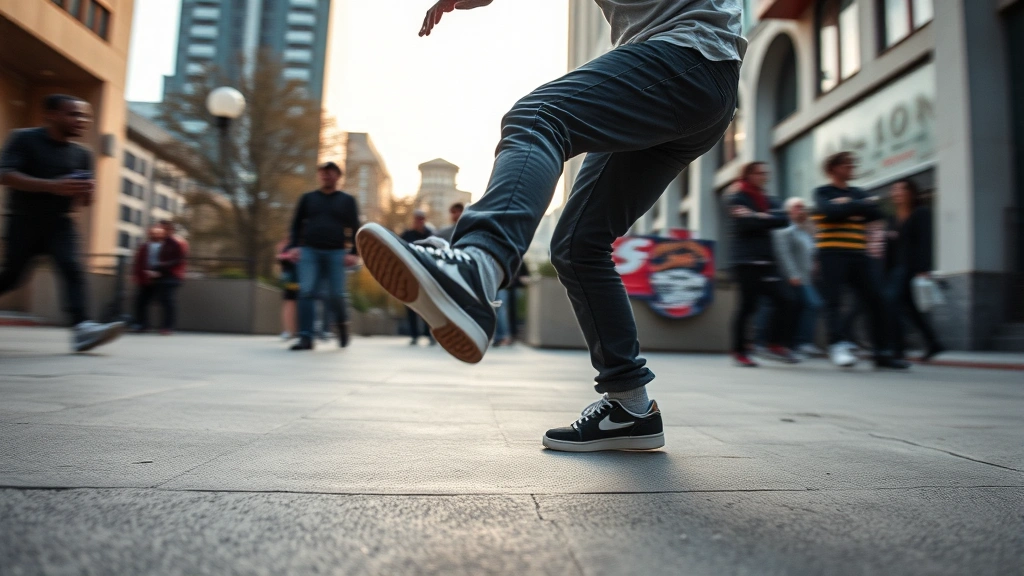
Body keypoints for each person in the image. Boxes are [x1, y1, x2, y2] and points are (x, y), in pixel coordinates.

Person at [356, 0, 744, 452]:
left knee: (539, 117)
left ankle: (478, 266)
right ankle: (631, 407)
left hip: (686, 57)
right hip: (698, 83)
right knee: (579, 244)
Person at [0, 94, 125, 352]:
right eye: (74, 114)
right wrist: (53, 186)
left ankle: (83, 329)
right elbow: (5, 174)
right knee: (12, 277)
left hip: (60, 223)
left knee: (72, 268)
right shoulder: (24, 139)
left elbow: (86, 201)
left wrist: (86, 192)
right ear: (51, 115)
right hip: (24, 220)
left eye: (85, 116)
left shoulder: (82, 154)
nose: (82, 121)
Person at [812, 152, 909, 370]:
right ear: (833, 168)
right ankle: (837, 346)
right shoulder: (822, 192)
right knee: (833, 302)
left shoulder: (857, 192)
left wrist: (847, 204)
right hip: (831, 253)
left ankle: (881, 352)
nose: (851, 167)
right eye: (847, 164)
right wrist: (858, 206)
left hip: (858, 253)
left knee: (876, 299)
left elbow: (877, 213)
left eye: (852, 163)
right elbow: (829, 211)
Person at [726, 162, 798, 367]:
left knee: (786, 299)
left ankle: (774, 344)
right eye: (759, 173)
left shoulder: (769, 200)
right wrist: (764, 218)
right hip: (746, 261)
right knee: (748, 306)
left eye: (766, 173)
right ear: (748, 175)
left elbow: (784, 219)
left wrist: (757, 216)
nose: (764, 176)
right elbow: (744, 223)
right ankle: (739, 350)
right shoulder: (737, 197)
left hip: (767, 262)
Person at [287, 161, 360, 351]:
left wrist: (354, 253)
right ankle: (306, 337)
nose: (326, 176)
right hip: (310, 250)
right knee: (306, 291)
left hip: (336, 252)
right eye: (323, 173)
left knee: (336, 295)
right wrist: (294, 246)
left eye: (330, 173)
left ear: (337, 176)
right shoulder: (308, 198)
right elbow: (296, 225)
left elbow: (355, 228)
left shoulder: (347, 200)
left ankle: (342, 325)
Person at [885, 179, 944, 361]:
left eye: (901, 189)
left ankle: (898, 349)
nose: (896, 193)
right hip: (897, 270)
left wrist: (924, 268)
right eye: (894, 190)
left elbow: (926, 241)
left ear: (910, 192)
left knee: (892, 304)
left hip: (912, 268)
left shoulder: (921, 213)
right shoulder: (893, 218)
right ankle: (933, 343)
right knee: (911, 310)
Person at [772, 197, 823, 357]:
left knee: (803, 308)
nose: (801, 210)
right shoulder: (785, 229)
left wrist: (814, 263)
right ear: (788, 211)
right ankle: (800, 342)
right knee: (812, 304)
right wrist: (792, 274)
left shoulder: (804, 230)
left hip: (806, 277)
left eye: (802, 207)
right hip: (794, 277)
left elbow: (811, 250)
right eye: (797, 207)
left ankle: (798, 343)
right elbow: (784, 254)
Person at [132, 225, 185, 334]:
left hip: (165, 277)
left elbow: (177, 261)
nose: (156, 235)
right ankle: (142, 324)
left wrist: (161, 271)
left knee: (166, 301)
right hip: (147, 277)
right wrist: (140, 274)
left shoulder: (171, 244)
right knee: (141, 301)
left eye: (158, 233)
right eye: (153, 233)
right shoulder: (145, 246)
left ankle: (167, 327)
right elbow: (139, 262)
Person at [400, 210, 436, 346]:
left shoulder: (430, 236)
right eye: (416, 219)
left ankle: (429, 333)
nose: (419, 221)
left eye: (421, 219)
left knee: (428, 305)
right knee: (411, 305)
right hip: (410, 274)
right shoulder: (406, 235)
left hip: (426, 275)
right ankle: (414, 334)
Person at [276, 239, 299, 340]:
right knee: (290, 303)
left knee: (298, 304)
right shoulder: (288, 245)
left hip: (300, 278)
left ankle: (293, 331)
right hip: (292, 278)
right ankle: (289, 330)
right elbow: (280, 258)